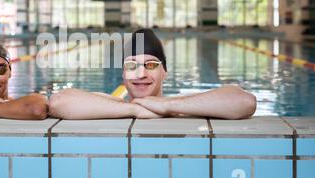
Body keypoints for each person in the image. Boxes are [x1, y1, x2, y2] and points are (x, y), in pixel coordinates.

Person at [49, 28, 256, 120]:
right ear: (123, 74)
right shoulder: (112, 104)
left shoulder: (182, 104)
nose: (140, 74)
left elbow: (245, 101)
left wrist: (166, 106)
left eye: (150, 65)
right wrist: (136, 110)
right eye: (132, 66)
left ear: (164, 72)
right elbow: (58, 101)